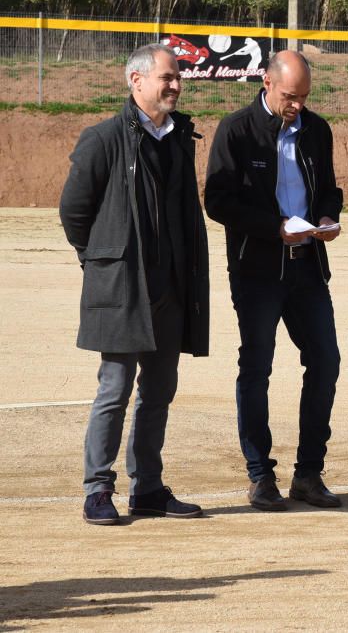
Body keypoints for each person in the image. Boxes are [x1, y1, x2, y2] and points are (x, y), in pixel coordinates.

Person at [60, 43, 209, 525]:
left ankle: (146, 488)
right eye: (167, 77)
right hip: (123, 288)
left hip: (170, 289)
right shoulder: (102, 139)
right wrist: (102, 262)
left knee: (160, 389)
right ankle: (98, 489)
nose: (175, 85)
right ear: (136, 80)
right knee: (115, 388)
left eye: (178, 77)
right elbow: (74, 212)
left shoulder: (180, 138)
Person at [205, 50, 344, 512]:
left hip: (307, 265)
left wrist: (327, 215)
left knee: (325, 360)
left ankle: (309, 473)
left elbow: (328, 187)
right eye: (290, 97)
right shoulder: (236, 130)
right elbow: (218, 202)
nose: (297, 106)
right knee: (257, 366)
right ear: (266, 82)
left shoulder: (317, 130)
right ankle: (261, 475)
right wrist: (273, 227)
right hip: (257, 270)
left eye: (304, 97)